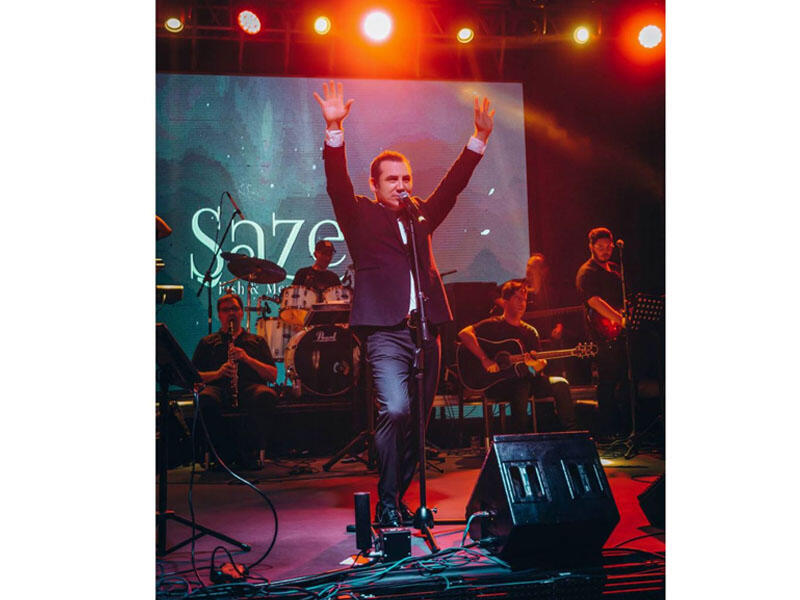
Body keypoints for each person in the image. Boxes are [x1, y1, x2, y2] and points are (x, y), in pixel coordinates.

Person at [314, 80, 494, 527]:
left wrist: (479, 138)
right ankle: (388, 501)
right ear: (375, 185)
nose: (401, 185)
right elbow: (336, 184)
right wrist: (334, 131)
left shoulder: (419, 215)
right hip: (385, 332)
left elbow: (452, 187)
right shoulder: (359, 214)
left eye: (406, 178)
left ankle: (394, 501)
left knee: (418, 423)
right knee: (394, 409)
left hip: (427, 331)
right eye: (392, 179)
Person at [459, 281, 577, 434]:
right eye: (518, 299)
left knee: (561, 383)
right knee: (521, 386)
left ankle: (571, 433)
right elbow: (464, 334)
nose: (522, 303)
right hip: (498, 384)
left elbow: (540, 365)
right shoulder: (492, 325)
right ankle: (520, 438)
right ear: (505, 301)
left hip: (528, 381)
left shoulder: (530, 332)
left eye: (525, 300)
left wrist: (534, 364)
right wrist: (485, 359)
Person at [192, 293, 278, 469]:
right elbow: (193, 376)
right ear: (219, 315)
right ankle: (220, 454)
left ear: (241, 313)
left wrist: (247, 358)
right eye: (226, 310)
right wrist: (218, 374)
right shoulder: (208, 342)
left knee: (265, 395)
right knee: (206, 398)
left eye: (234, 309)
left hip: (249, 388)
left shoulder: (257, 341)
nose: (231, 313)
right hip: (217, 388)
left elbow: (272, 375)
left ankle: (251, 452)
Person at [575, 227, 629, 436]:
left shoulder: (615, 269)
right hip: (602, 336)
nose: (605, 250)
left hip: (622, 334)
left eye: (608, 246)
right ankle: (609, 433)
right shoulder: (587, 272)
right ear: (591, 247)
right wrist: (619, 319)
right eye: (600, 247)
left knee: (626, 381)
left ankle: (626, 429)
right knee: (608, 383)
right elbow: (594, 301)